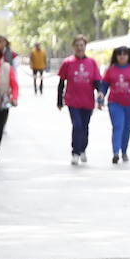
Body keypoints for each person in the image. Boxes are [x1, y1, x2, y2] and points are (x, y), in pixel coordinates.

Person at [57, 35, 102, 165]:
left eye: (81, 45)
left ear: (85, 47)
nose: (79, 48)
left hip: (87, 101)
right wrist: (59, 101)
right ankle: (75, 152)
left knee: (85, 127)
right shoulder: (68, 62)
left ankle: (83, 149)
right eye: (77, 45)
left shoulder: (92, 63)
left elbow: (97, 81)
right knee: (77, 126)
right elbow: (61, 82)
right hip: (73, 100)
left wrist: (100, 92)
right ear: (73, 47)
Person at [101, 46, 130, 163]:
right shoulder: (111, 70)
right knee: (118, 126)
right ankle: (116, 152)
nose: (122, 56)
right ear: (116, 56)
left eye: (124, 54)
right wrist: (101, 96)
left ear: (129, 56)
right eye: (119, 54)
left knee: (127, 128)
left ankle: (124, 151)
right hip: (114, 103)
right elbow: (104, 86)